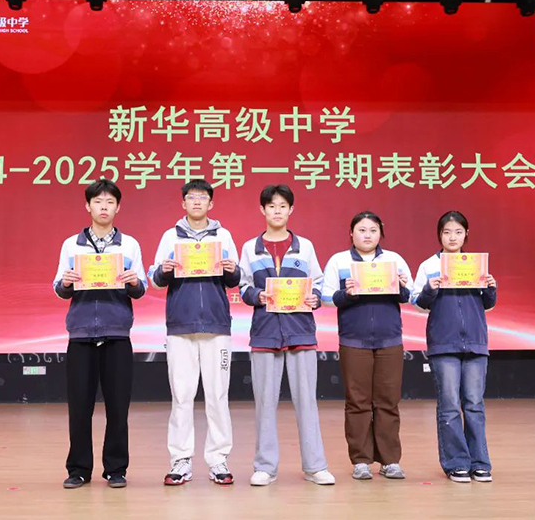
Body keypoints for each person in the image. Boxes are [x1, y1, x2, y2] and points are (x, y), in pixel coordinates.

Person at [239, 184, 335, 487]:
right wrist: (257, 295)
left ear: (291, 210)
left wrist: (314, 297)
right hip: (265, 333)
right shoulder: (250, 248)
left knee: (307, 402)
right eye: (271, 206)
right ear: (262, 210)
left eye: (282, 206)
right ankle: (265, 467)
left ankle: (315, 466)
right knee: (264, 404)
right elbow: (243, 286)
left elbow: (318, 281)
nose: (277, 211)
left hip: (300, 331)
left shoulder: (304, 247)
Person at [53, 180, 147, 489]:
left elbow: (141, 289)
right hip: (81, 335)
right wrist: (66, 282)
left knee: (118, 408)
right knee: (79, 407)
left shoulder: (129, 245)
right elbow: (59, 289)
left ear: (118, 207)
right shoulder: (71, 245)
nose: (103, 207)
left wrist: (133, 281)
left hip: (117, 333)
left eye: (109, 202)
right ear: (88, 206)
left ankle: (116, 469)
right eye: (98, 201)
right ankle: (79, 469)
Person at [149, 180, 241, 486]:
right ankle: (180, 459)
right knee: (181, 395)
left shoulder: (224, 235)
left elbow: (235, 279)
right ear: (183, 203)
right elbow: (155, 279)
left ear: (211, 204)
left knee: (218, 395)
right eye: (191, 197)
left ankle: (218, 459)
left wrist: (231, 269)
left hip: (216, 326)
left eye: (203, 197)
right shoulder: (170, 236)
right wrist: (164, 270)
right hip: (180, 326)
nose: (197, 202)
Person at [322, 211, 413, 481]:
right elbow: (327, 298)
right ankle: (360, 460)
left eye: (373, 230)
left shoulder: (393, 260)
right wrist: (346, 293)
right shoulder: (339, 261)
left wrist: (401, 286)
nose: (367, 235)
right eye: (361, 230)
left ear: (380, 233)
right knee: (357, 402)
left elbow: (408, 296)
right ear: (351, 233)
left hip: (390, 340)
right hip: (353, 340)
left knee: (388, 401)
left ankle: (390, 460)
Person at [410, 210, 497, 483]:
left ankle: (480, 462)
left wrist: (490, 287)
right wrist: (430, 289)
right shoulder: (428, 266)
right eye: (447, 232)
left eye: (458, 232)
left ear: (466, 234)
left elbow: (487, 304)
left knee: (474, 404)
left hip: (475, 342)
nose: (452, 237)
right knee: (449, 405)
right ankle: (456, 463)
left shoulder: (475, 264)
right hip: (443, 343)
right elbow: (418, 302)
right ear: (439, 235)